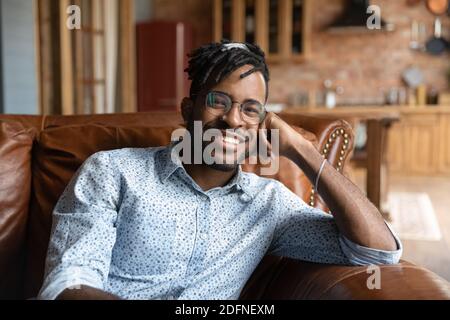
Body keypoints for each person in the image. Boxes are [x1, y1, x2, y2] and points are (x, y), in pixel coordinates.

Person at [38, 40, 401, 300]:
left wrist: (301, 149)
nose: (231, 120)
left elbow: (377, 252)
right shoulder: (113, 172)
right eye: (218, 102)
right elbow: (68, 282)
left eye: (250, 109)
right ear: (187, 109)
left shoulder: (269, 205)